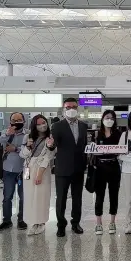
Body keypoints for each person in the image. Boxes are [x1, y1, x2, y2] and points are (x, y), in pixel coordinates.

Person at [48, 98, 88, 237]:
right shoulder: (57, 126)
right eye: (68, 107)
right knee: (61, 198)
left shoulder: (83, 126)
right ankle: (61, 225)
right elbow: (52, 144)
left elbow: (84, 145)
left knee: (77, 198)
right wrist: (50, 145)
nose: (71, 109)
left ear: (78, 109)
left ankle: (75, 223)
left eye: (74, 107)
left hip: (79, 168)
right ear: (63, 109)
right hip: (63, 168)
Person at [19, 115, 55, 236]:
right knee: (29, 196)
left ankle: (41, 222)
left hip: (42, 170)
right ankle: (33, 222)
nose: (42, 126)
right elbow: (22, 155)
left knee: (41, 197)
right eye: (38, 124)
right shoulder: (27, 137)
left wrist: (39, 174)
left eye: (43, 123)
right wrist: (28, 146)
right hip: (28, 169)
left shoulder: (50, 138)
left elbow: (49, 156)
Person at [0, 112, 28, 232]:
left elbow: (30, 149)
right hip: (8, 169)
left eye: (19, 120)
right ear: (10, 121)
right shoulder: (5, 132)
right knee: (7, 196)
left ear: (24, 121)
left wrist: (16, 149)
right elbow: (1, 141)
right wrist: (8, 134)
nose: (16, 122)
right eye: (14, 120)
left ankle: (22, 219)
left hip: (24, 170)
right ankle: (6, 220)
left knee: (23, 197)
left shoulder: (28, 134)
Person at [93, 110, 122, 235]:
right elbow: (92, 149)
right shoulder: (97, 134)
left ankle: (112, 222)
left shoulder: (118, 134)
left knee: (113, 194)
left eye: (112, 118)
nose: (109, 120)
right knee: (99, 195)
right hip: (100, 167)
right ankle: (98, 223)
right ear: (102, 119)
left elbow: (122, 149)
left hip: (114, 166)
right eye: (107, 117)